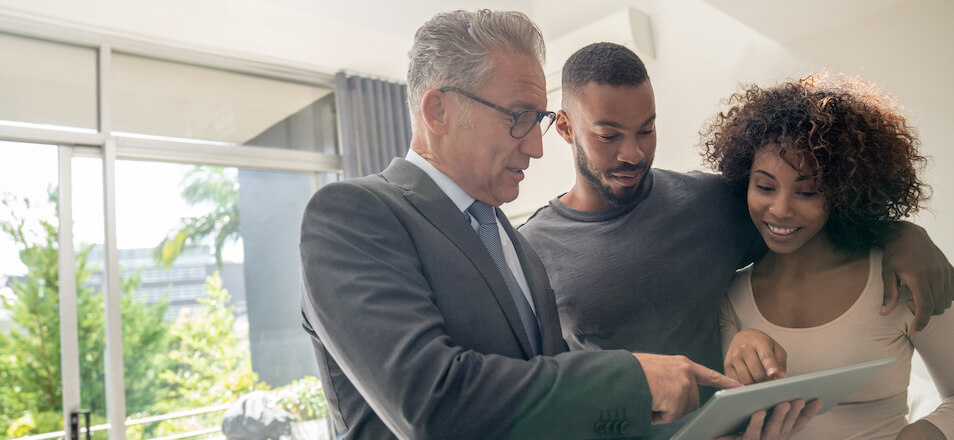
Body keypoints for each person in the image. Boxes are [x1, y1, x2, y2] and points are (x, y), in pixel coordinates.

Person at [300, 10, 816, 440]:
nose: (537, 146)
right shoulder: (351, 214)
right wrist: (633, 379)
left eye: (540, 120)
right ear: (438, 109)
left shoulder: (511, 244)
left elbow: (549, 410)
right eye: (519, 117)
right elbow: (430, 402)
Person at [518, 43, 953, 399]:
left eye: (646, 130)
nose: (633, 153)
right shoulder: (527, 250)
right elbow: (545, 385)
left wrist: (903, 233)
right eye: (609, 135)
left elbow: (812, 216)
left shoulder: (711, 201)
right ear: (565, 128)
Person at [704, 73, 953, 440]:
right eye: (764, 186)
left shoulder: (902, 278)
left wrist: (924, 434)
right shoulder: (729, 297)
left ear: (842, 193)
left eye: (806, 192)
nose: (780, 209)